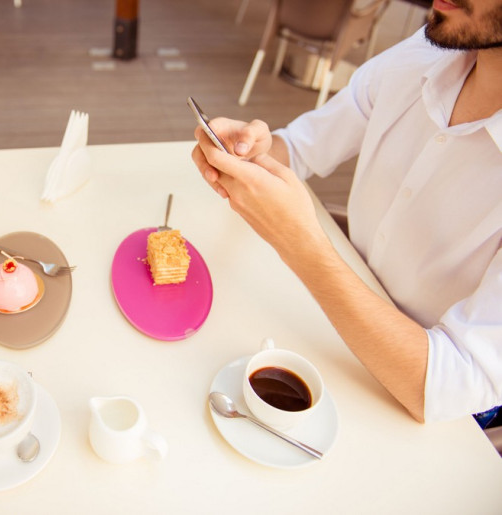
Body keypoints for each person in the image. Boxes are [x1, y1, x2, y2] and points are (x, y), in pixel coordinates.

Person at [192, 0, 502, 424]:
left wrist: (300, 244)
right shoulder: (425, 52)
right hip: (330, 316)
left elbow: (444, 386)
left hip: (421, 401)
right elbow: (301, 147)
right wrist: (248, 151)